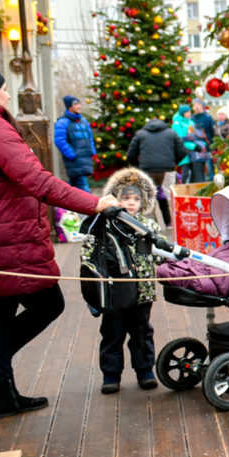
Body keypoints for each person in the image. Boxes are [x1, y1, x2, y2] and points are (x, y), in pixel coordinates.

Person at [0, 66, 119, 418]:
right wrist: (94, 202)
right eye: (4, 89)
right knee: (47, 303)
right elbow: (37, 180)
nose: (8, 95)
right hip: (5, 236)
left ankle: (0, 388)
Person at [81, 168, 163, 393]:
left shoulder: (148, 227)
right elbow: (87, 252)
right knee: (112, 333)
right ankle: (111, 374)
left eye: (136, 199)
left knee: (141, 332)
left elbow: (160, 251)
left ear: (144, 201)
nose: (131, 203)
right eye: (125, 198)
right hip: (113, 291)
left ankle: (145, 370)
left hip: (142, 292)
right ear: (115, 198)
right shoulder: (103, 226)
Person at [127, 114, 188, 225]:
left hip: (147, 170)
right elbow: (182, 152)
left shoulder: (141, 134)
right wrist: (173, 164)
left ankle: (150, 225)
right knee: (170, 197)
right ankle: (175, 224)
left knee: (148, 198)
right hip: (167, 169)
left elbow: (131, 154)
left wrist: (138, 167)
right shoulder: (171, 133)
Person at [53, 94, 96, 191]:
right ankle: (90, 206)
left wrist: (92, 150)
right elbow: (60, 141)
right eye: (76, 104)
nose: (79, 106)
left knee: (74, 187)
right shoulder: (63, 122)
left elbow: (90, 137)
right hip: (74, 161)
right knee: (83, 187)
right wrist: (72, 154)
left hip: (85, 159)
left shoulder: (83, 121)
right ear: (69, 107)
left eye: (79, 104)